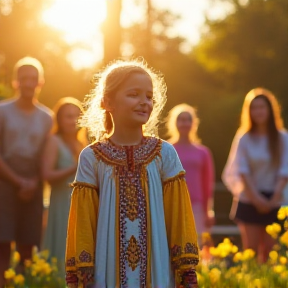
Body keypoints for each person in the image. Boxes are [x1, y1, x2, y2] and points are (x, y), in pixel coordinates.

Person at [65, 59, 199, 288]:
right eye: (134, 94)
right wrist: (83, 275)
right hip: (106, 275)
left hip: (158, 273)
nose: (144, 102)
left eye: (149, 96)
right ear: (107, 102)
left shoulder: (164, 154)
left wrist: (186, 271)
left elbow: (179, 218)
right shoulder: (92, 157)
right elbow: (84, 225)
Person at [0, 57, 53, 286]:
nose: (29, 83)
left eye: (33, 79)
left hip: (35, 183)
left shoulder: (47, 117)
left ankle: (26, 283)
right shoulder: (2, 111)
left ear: (40, 83)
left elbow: (47, 155)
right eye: (24, 78)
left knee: (29, 243)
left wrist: (32, 182)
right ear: (16, 82)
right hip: (4, 180)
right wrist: (18, 181)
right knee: (3, 242)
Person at [222, 87, 288, 263]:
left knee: (268, 253)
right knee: (250, 252)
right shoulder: (244, 138)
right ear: (248, 111)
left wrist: (272, 200)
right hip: (249, 199)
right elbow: (242, 171)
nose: (258, 111)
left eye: (262, 107)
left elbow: (285, 170)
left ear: (270, 110)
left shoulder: (282, 138)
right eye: (254, 107)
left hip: (275, 199)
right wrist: (257, 200)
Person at [41, 97, 87, 275]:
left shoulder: (81, 144)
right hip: (61, 202)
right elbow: (46, 175)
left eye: (77, 116)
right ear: (59, 119)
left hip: (79, 205)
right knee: (61, 244)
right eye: (68, 116)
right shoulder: (54, 141)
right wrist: (74, 167)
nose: (73, 121)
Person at [166, 103, 215, 245]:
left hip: (197, 207)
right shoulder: (166, 149)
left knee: (196, 245)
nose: (184, 123)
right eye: (181, 119)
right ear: (174, 123)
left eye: (188, 119)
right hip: (172, 204)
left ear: (193, 123)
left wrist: (208, 212)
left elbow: (208, 184)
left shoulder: (203, 152)